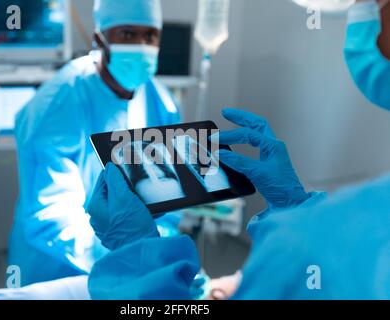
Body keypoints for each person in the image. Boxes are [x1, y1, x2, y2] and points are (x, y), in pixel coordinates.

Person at [86, 0, 390, 299]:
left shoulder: (304, 249)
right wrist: (295, 207)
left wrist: (136, 258)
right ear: (100, 39)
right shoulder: (342, 236)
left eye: (374, 2)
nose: (365, 12)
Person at [8, 0, 182, 286]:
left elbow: (168, 194)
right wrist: (127, 256)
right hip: (58, 270)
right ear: (100, 39)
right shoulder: (58, 106)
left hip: (130, 268)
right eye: (127, 34)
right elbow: (52, 218)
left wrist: (159, 249)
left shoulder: (161, 103)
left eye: (150, 35)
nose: (141, 44)